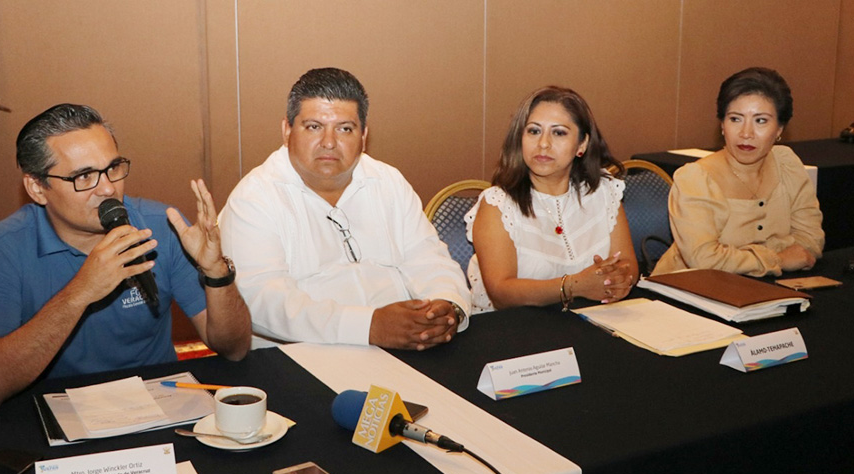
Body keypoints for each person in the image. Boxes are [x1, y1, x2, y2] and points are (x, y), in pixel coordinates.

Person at [0, 104, 252, 411]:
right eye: (84, 176)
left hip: (157, 400)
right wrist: (81, 292)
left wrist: (216, 271)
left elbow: (234, 349)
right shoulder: (0, 249)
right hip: (54, 407)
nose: (108, 188)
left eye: (113, 168)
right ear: (37, 188)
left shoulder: (161, 226)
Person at [218, 67, 469, 350]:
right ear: (287, 131)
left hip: (405, 346)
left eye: (344, 129)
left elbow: (429, 258)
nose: (329, 142)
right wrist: (369, 326)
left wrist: (446, 307)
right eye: (314, 127)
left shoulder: (388, 181)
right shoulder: (254, 198)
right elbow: (263, 301)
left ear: (363, 136)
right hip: (303, 354)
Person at [466, 86, 638, 313]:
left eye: (559, 133)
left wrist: (617, 280)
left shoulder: (603, 191)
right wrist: (574, 286)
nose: (543, 143)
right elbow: (502, 293)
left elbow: (627, 265)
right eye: (534, 131)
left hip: (593, 318)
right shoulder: (498, 204)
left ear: (582, 144)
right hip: (515, 325)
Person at [652, 67, 824, 277]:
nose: (746, 133)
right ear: (722, 125)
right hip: (689, 287)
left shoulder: (786, 163)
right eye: (735, 119)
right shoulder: (696, 178)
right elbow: (704, 259)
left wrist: (742, 260)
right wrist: (778, 259)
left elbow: (811, 239)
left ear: (780, 129)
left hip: (762, 288)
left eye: (760, 121)